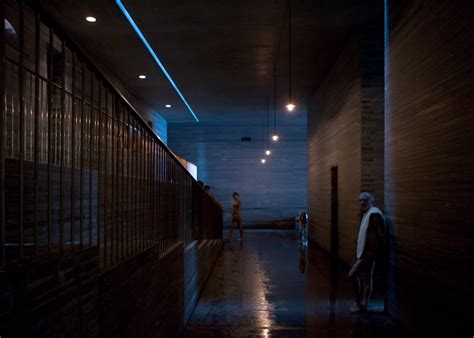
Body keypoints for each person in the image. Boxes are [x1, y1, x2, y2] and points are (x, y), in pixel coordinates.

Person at [348, 191, 385, 313]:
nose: (362, 202)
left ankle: (358, 302)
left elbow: (380, 235)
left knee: (352, 275)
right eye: (360, 200)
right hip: (368, 252)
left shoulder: (374, 214)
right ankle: (364, 304)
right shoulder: (368, 214)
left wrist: (375, 251)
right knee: (367, 278)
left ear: (371, 201)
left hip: (369, 253)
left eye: (365, 200)